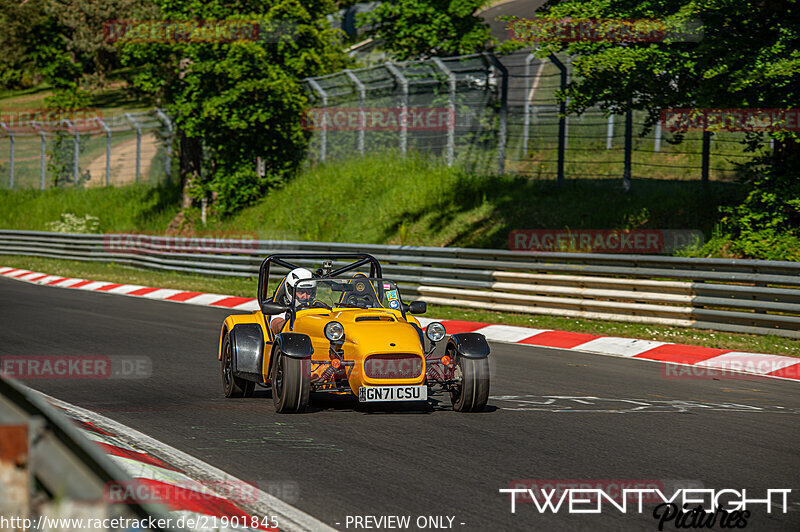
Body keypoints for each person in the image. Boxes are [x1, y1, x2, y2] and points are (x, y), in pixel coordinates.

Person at [270, 267, 314, 335]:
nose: (305, 296)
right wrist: (293, 325)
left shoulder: (319, 305)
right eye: (301, 292)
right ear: (290, 290)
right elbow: (276, 325)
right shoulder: (281, 306)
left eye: (309, 292)